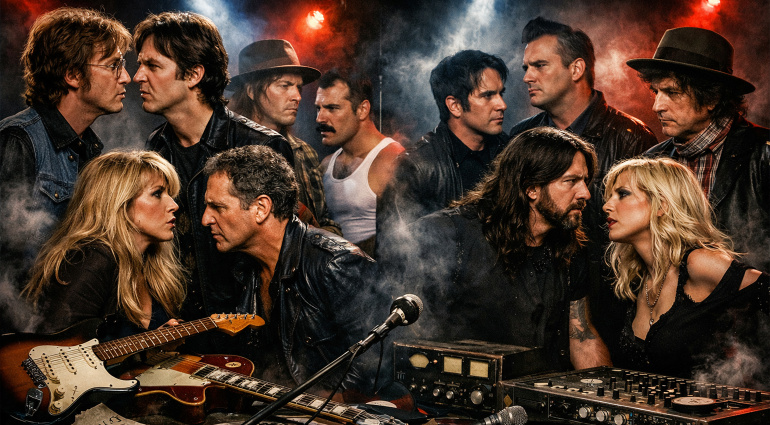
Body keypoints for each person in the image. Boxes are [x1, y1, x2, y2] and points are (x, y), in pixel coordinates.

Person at [133, 12, 292, 353]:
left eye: (152, 65)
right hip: (181, 334)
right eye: (139, 65)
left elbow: (283, 259)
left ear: (194, 74)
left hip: (249, 337)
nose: (137, 76)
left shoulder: (262, 146)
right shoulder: (155, 148)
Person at [395, 127, 611, 370]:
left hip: (537, 389)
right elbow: (411, 336)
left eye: (585, 181)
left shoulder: (570, 245)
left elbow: (580, 336)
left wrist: (607, 390)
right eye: (571, 181)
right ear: (531, 188)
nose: (585, 193)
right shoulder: (450, 234)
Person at [509, 17, 658, 348]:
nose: (527, 76)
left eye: (539, 65)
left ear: (576, 69)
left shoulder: (631, 138)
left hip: (610, 310)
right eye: (526, 67)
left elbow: (652, 237)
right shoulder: (521, 137)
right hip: (533, 312)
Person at [201, 145, 385, 397]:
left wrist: (321, 403)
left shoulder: (335, 263)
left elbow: (376, 364)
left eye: (218, 207)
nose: (206, 219)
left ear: (261, 208)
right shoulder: (242, 268)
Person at [0, 8, 131, 328]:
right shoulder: (17, 140)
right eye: (113, 65)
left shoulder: (91, 151)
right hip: (19, 334)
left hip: (61, 331)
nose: (126, 77)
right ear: (72, 75)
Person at [603, 157, 769, 385]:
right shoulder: (636, 278)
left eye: (622, 194)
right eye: (610, 196)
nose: (607, 206)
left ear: (661, 205)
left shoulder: (700, 263)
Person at [627, 27, 769, 272]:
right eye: (656, 92)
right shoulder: (653, 160)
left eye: (672, 92)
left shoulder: (763, 154)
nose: (657, 106)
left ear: (712, 98)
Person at [23, 151, 185, 339]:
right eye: (157, 193)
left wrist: (154, 345)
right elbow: (56, 352)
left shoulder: (151, 266)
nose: (174, 205)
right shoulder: (91, 259)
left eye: (169, 194)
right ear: (119, 202)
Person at [377, 49, 508, 257]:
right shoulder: (415, 167)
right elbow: (394, 251)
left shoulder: (511, 152)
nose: (502, 105)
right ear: (454, 106)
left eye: (501, 93)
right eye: (487, 96)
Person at [229, 39, 341, 235]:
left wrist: (319, 235)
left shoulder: (304, 152)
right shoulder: (227, 151)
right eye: (284, 85)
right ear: (251, 91)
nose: (297, 96)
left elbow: (325, 221)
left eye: (298, 87)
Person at [317, 69, 404, 255]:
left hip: (375, 269)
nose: (320, 118)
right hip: (333, 270)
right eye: (319, 108)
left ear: (362, 109)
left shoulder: (391, 159)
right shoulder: (326, 165)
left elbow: (401, 240)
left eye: (332, 108)